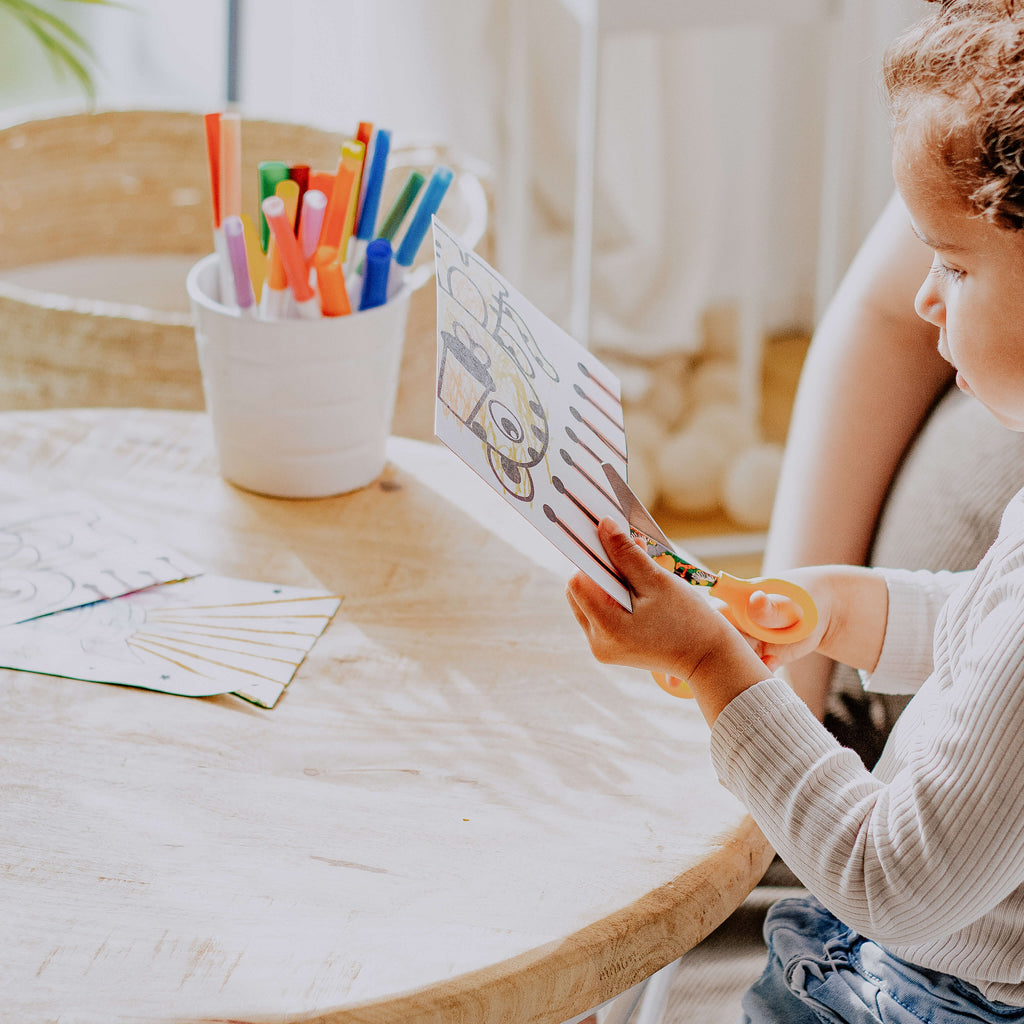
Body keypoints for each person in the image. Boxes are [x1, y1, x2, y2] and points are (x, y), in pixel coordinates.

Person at [565, 1, 1024, 1020]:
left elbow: (890, 878)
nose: (924, 298)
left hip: (930, 994)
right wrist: (834, 607)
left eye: (952, 265)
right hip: (890, 957)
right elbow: (977, 624)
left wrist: (711, 665)